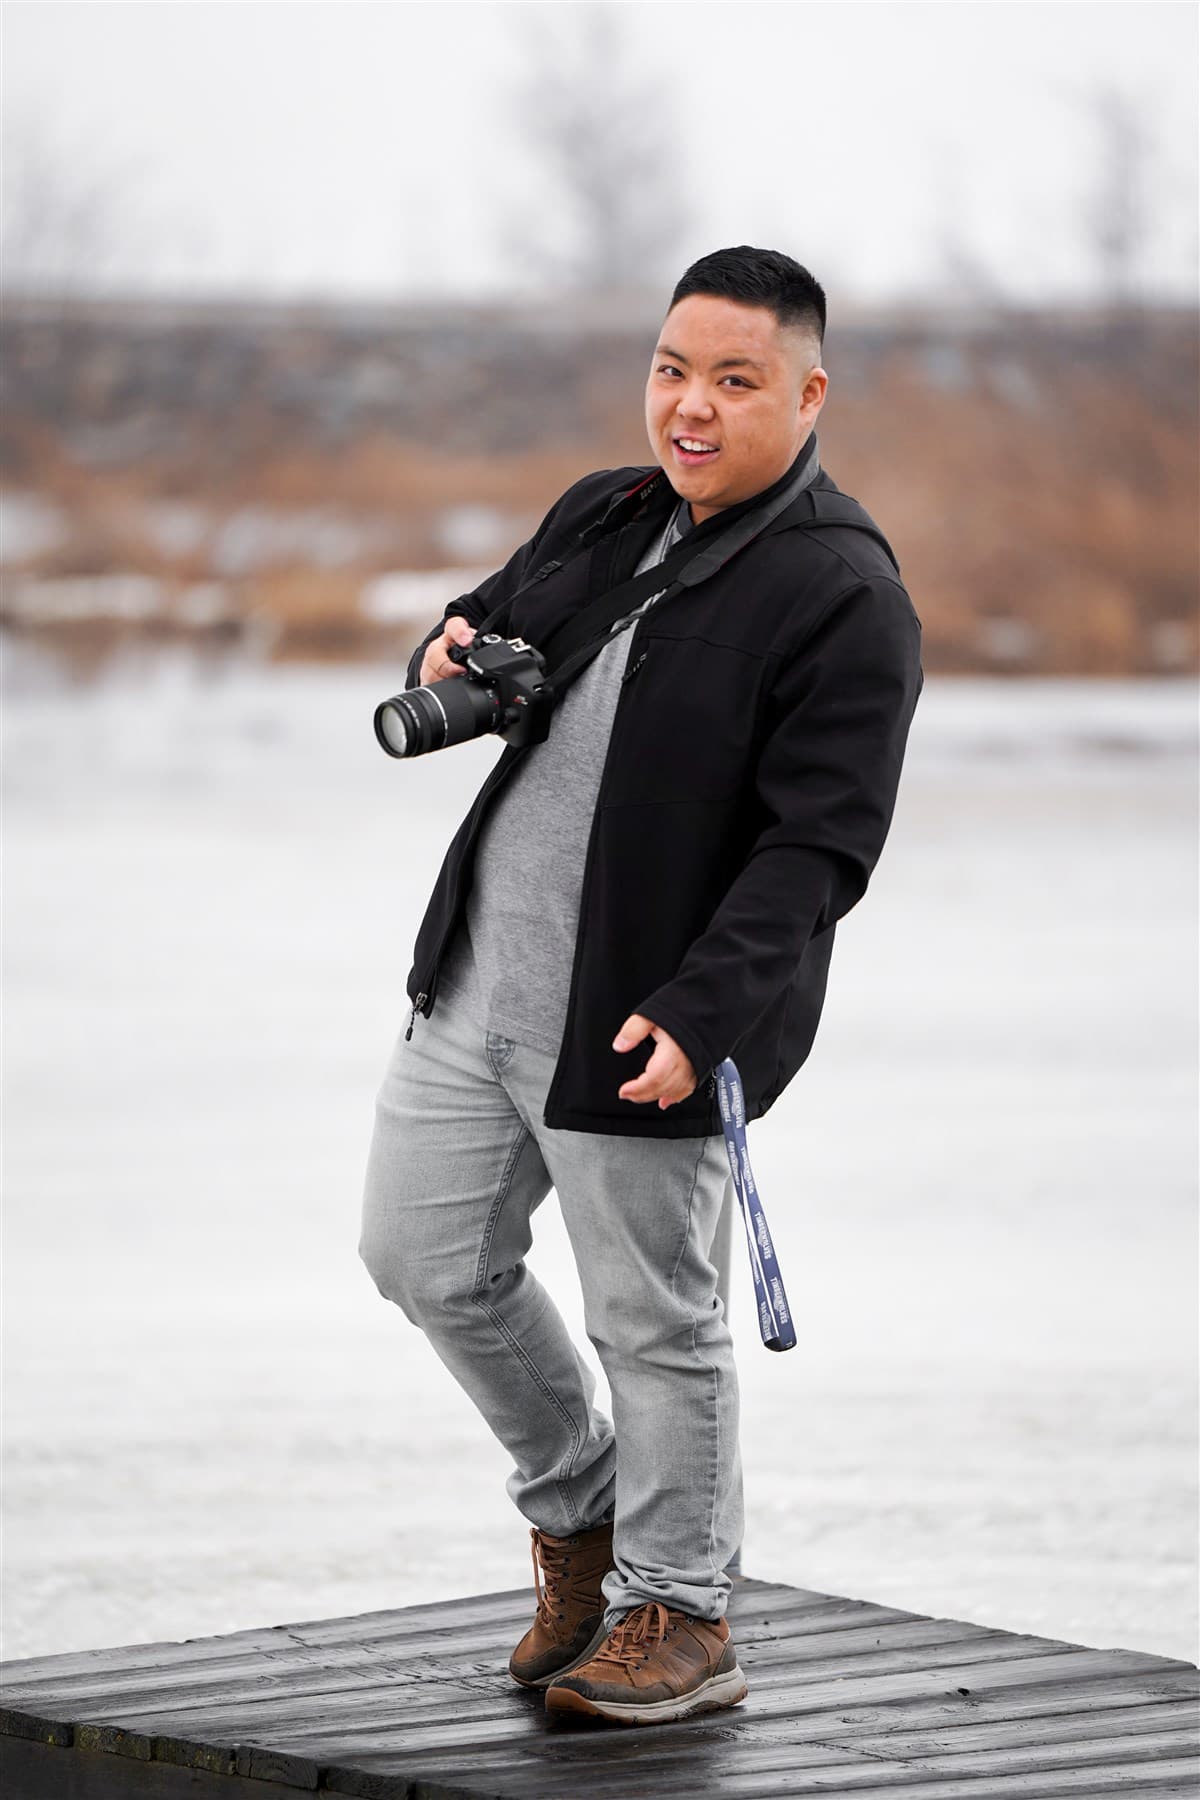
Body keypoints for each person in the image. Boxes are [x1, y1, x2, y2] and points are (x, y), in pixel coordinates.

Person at [359, 246, 923, 1727]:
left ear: (808, 393)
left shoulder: (842, 589)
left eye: (735, 381)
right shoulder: (609, 510)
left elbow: (823, 843)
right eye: (674, 369)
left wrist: (703, 1009)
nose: (691, 406)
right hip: (479, 981)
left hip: (639, 1017)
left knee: (656, 1325)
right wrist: (452, 639)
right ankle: (582, 1511)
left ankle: (682, 1610)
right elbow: (488, 612)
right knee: (422, 1260)